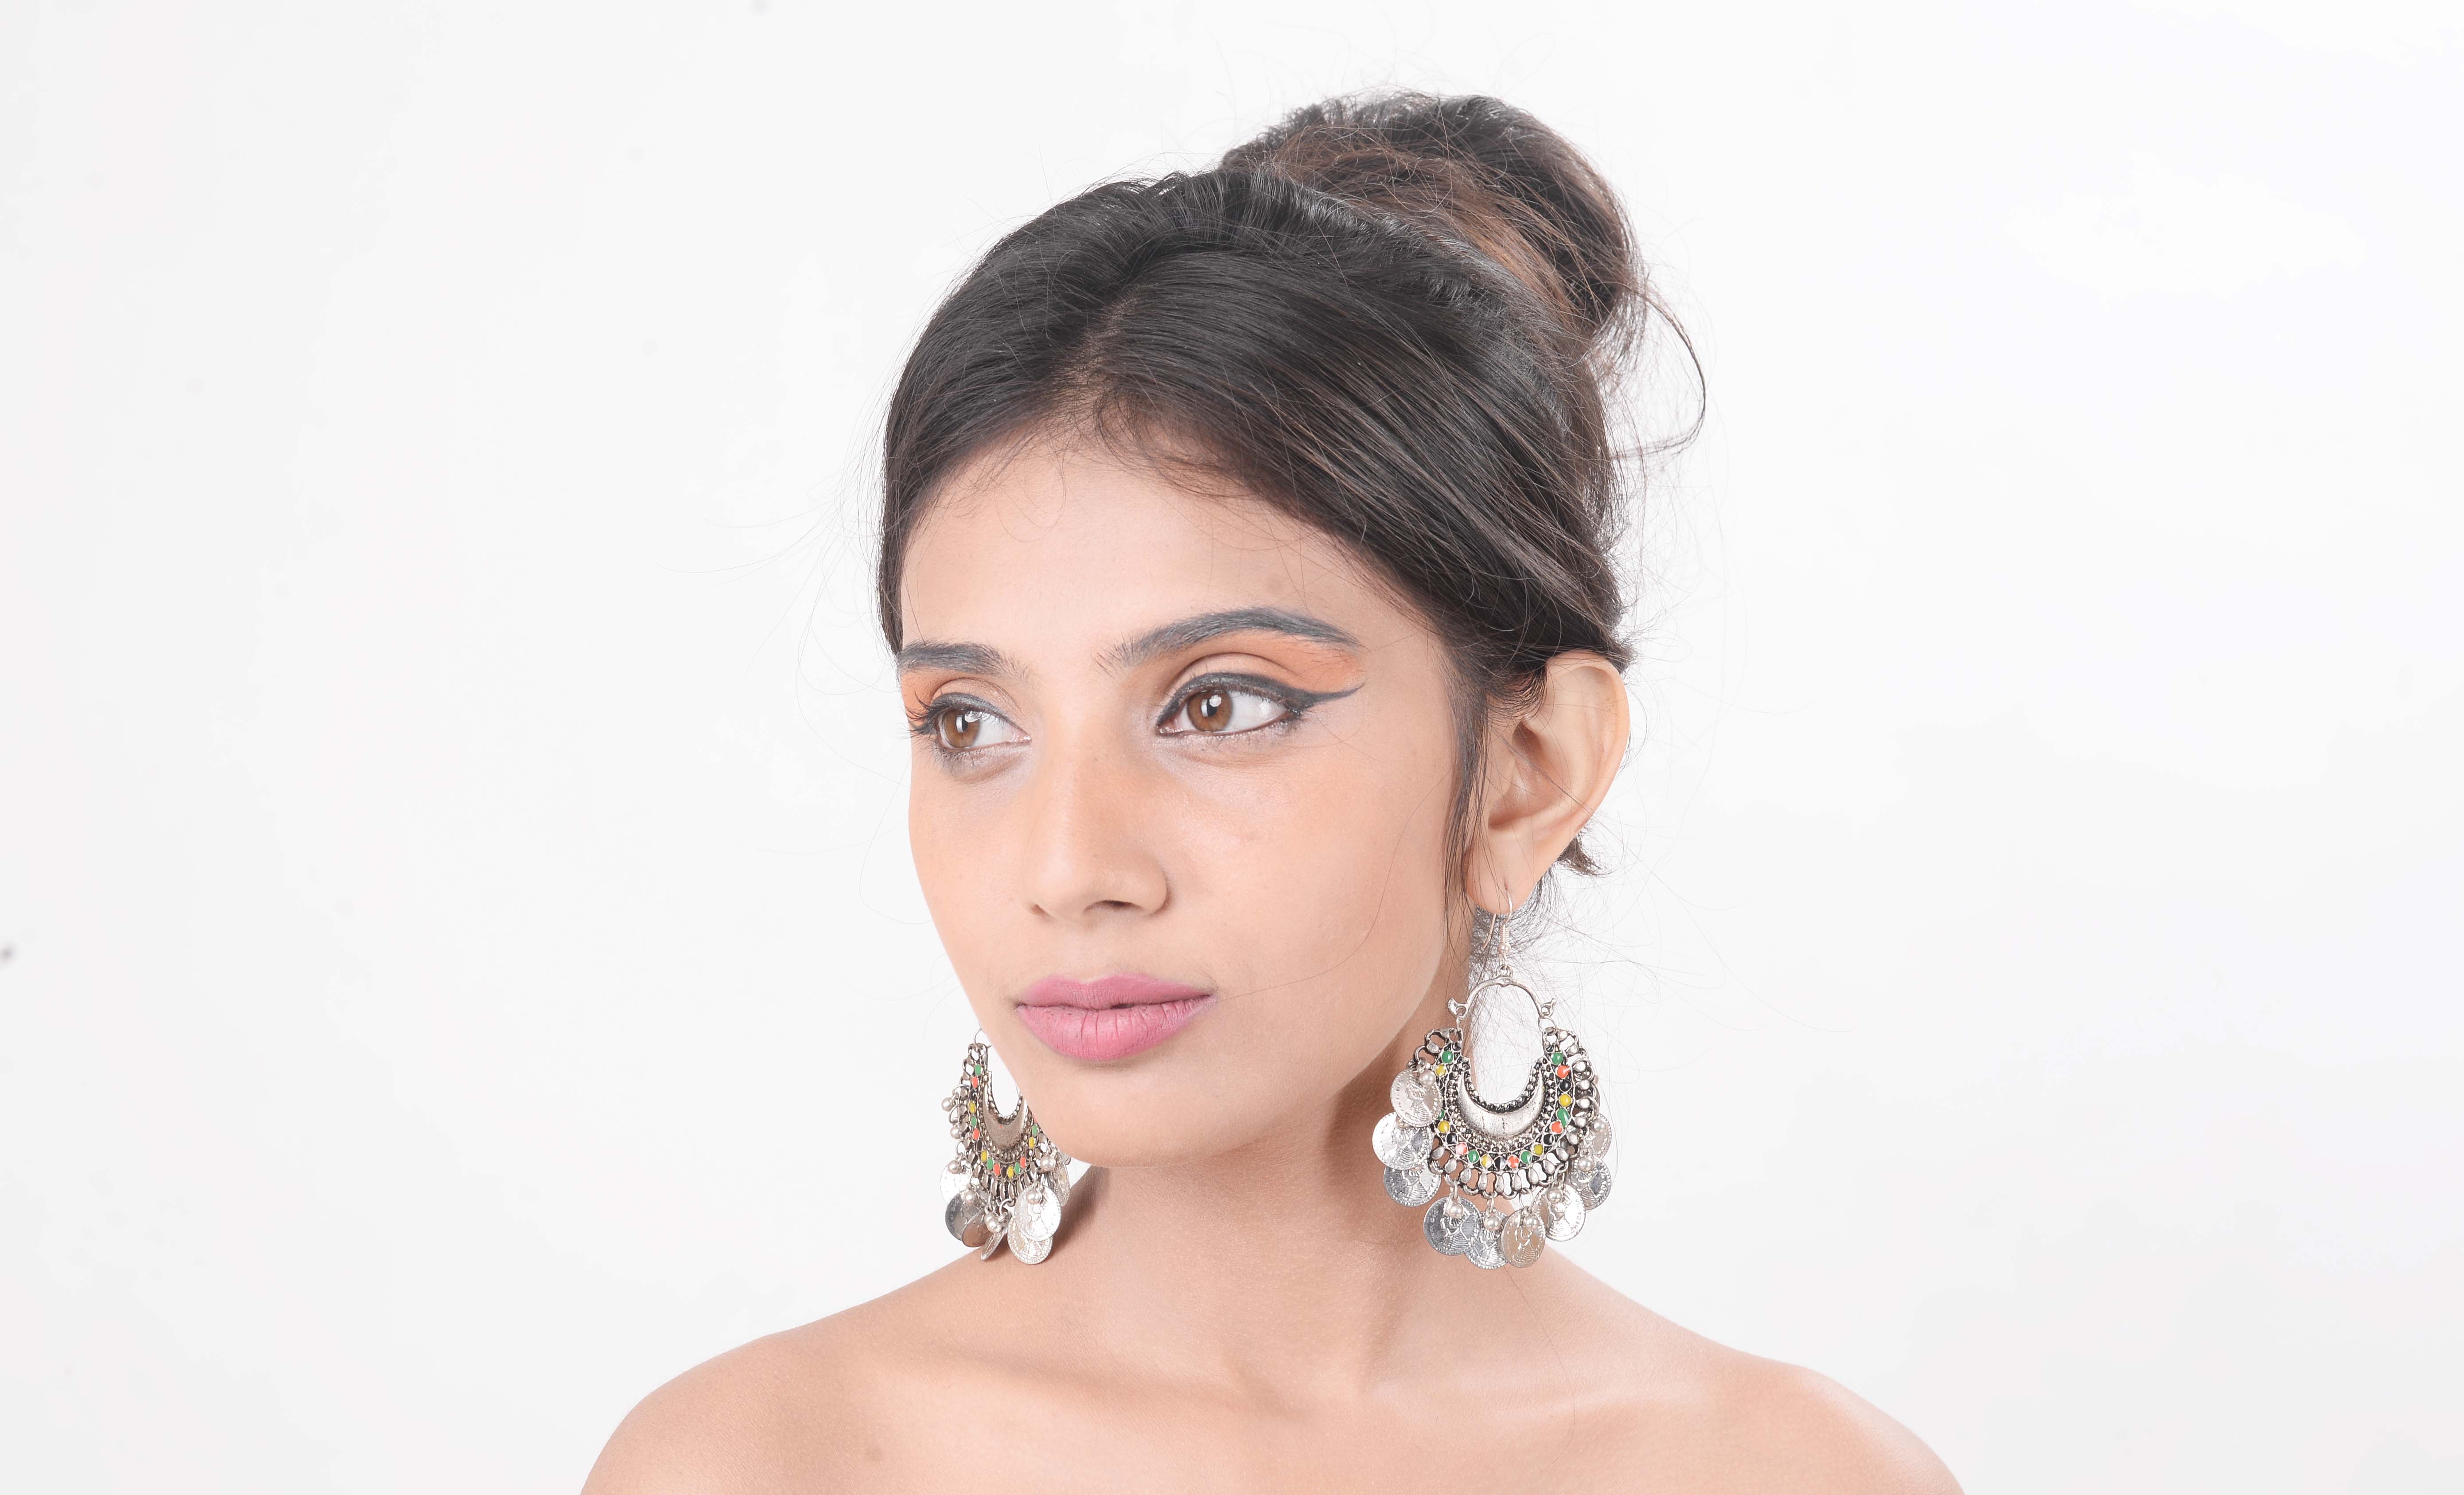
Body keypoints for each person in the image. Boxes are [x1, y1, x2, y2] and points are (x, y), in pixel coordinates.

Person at [584, 91, 1961, 1491]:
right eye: (971, 723)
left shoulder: (1800, 1475)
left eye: (1220, 706)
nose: (1066, 868)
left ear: (1528, 777)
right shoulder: (758, 1466)